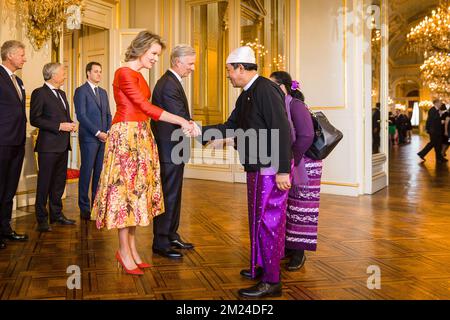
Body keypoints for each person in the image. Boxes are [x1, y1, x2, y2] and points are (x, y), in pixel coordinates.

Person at [91, 31, 199, 276]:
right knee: (125, 194)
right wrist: (182, 120)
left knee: (138, 192)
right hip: (127, 136)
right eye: (153, 54)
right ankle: (123, 249)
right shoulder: (124, 72)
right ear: (140, 49)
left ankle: (131, 248)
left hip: (140, 134)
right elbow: (145, 107)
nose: (155, 59)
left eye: (157, 55)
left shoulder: (138, 74)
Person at [202, 46, 292, 298]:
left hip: (271, 168)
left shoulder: (265, 89)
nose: (228, 75)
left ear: (241, 68)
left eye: (229, 71)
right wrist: (198, 131)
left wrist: (283, 170)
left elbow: (281, 129)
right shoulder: (245, 95)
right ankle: (261, 267)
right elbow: (231, 126)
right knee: (257, 220)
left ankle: (272, 282)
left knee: (268, 223)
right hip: (256, 167)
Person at [150, 45, 196, 259]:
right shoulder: (168, 84)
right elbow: (179, 116)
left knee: (174, 194)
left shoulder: (172, 82)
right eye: (190, 63)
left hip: (175, 148)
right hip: (169, 149)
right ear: (178, 62)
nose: (193, 68)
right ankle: (160, 241)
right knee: (168, 194)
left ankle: (171, 234)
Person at [30, 63, 78, 232]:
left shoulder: (62, 93)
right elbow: (35, 119)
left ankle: (56, 214)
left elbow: (64, 117)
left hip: (63, 145)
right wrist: (59, 126)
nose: (65, 75)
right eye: (62, 73)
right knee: (45, 183)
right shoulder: (39, 93)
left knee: (59, 182)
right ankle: (42, 219)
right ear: (52, 75)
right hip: (48, 146)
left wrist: (71, 123)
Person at [74, 62, 112, 220]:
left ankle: (96, 207)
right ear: (88, 73)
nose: (99, 74)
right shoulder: (81, 91)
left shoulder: (103, 92)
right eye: (96, 71)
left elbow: (109, 114)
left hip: (104, 138)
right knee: (86, 171)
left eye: (100, 71)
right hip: (89, 138)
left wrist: (107, 132)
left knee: (99, 173)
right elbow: (81, 116)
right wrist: (98, 133)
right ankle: (84, 207)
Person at [0, 40, 29, 249]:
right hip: (2, 141)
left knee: (9, 188)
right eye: (21, 54)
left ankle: (5, 228)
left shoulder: (17, 81)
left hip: (17, 141)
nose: (24, 58)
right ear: (9, 55)